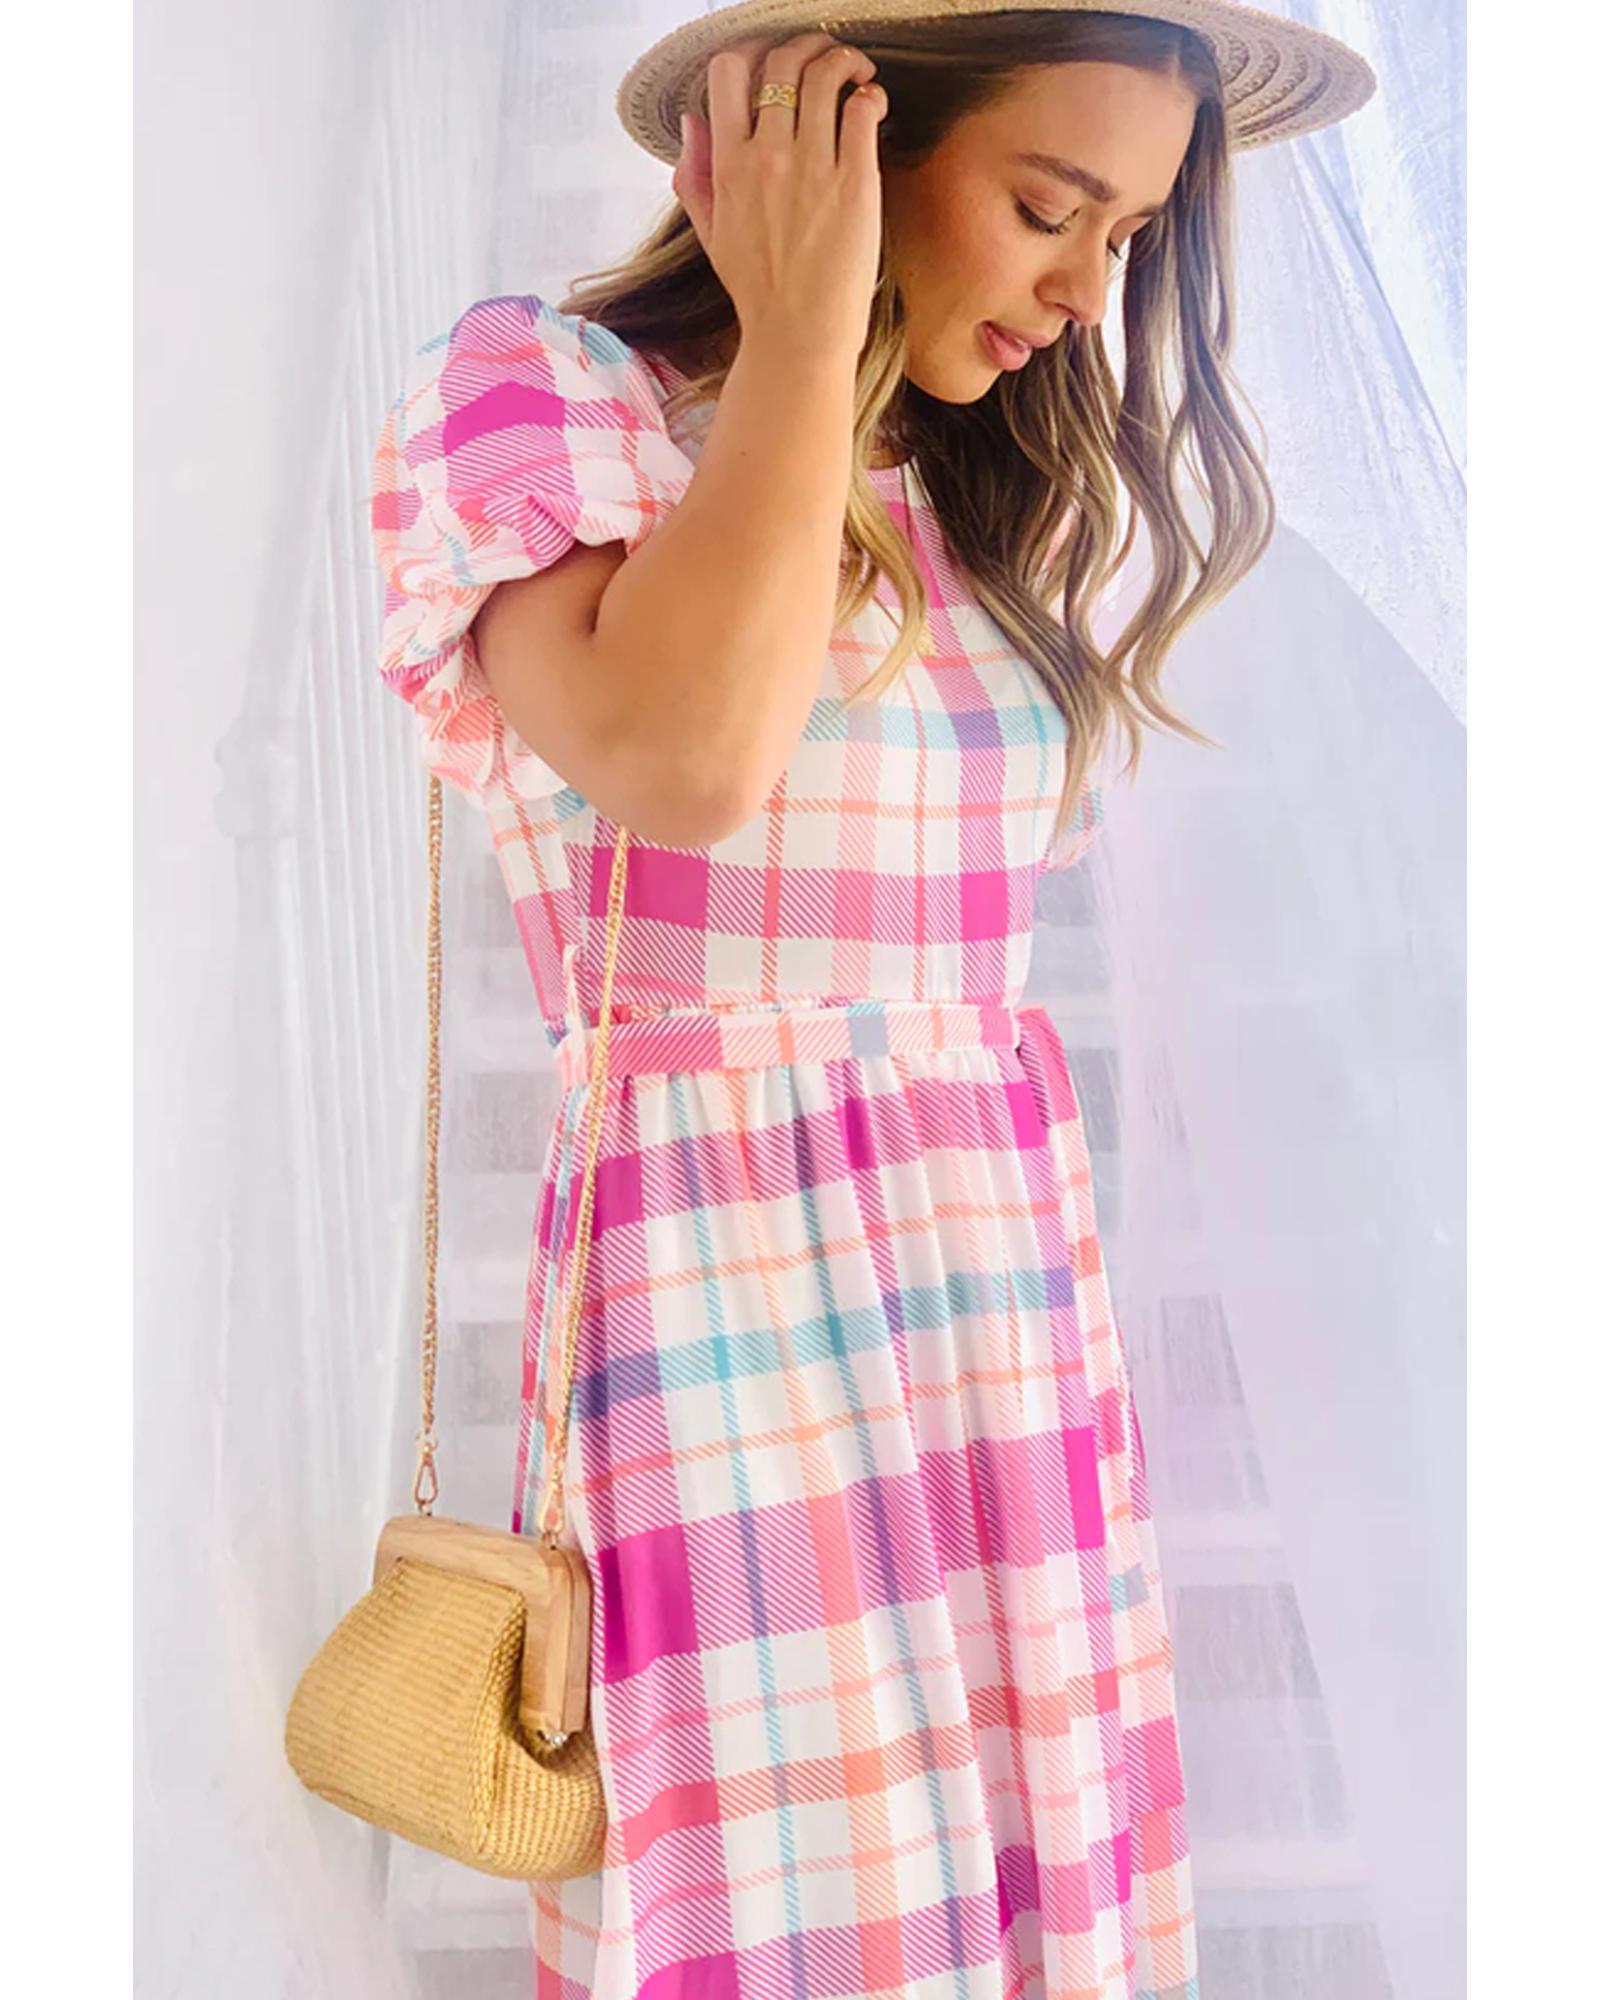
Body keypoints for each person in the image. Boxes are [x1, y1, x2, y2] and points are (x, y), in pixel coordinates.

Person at [367, 6, 1376, 1995]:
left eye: (1127, 239)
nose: (1086, 296)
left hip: (992, 1282)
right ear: (844, 142)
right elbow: (686, 762)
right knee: (797, 1919)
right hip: (721, 1289)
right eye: (1048, 208)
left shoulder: (984, 487)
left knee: (1031, 1898)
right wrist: (804, 326)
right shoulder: (544, 402)